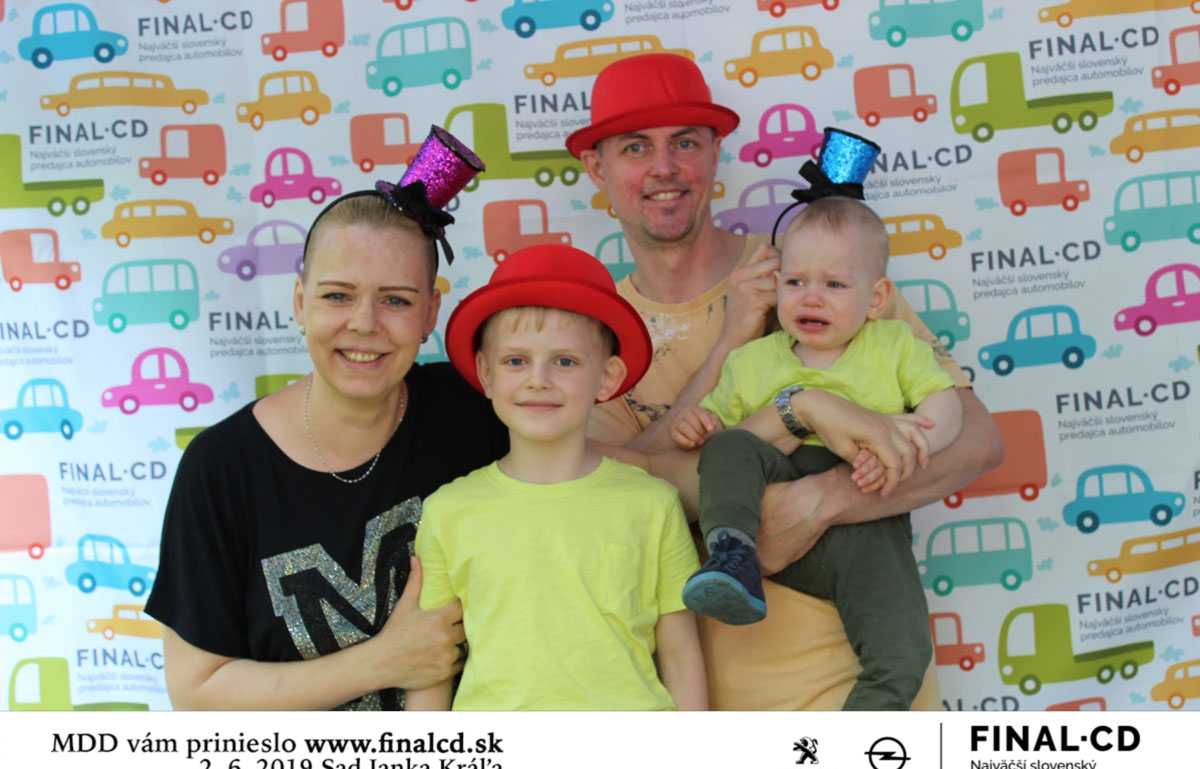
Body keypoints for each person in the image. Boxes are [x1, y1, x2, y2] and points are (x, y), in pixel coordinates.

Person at [568, 53, 1005, 710]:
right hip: (707, 710)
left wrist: (823, 499)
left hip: (861, 693)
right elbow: (617, 499)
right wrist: (762, 372)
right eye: (635, 147)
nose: (664, 168)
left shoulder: (816, 267)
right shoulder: (592, 335)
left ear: (715, 153)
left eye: (685, 142)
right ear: (596, 168)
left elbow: (977, 441)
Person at [144, 128, 508, 710]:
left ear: (430, 313)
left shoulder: (477, 408)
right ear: (299, 302)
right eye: (338, 296)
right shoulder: (221, 468)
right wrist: (386, 660)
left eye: (396, 300)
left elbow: (587, 469)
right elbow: (197, 692)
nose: (364, 324)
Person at [671, 196, 962, 709]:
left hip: (868, 523)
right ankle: (731, 554)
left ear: (876, 298)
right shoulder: (752, 360)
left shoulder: (893, 345)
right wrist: (697, 424)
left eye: (834, 285)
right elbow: (719, 445)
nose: (812, 298)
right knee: (731, 447)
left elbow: (947, 406)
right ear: (776, 285)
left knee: (903, 653)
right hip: (773, 513)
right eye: (795, 281)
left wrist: (911, 441)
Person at [406, 244, 706, 711]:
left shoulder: (653, 503)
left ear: (607, 377)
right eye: (515, 361)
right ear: (485, 373)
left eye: (565, 361)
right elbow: (431, 667)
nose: (538, 379)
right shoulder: (447, 512)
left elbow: (682, 657)